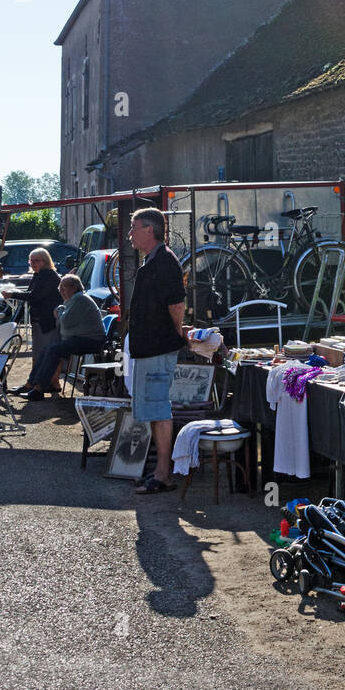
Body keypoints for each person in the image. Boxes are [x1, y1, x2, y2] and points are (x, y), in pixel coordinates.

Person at [127, 209, 186, 494]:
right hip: (148, 348)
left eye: (134, 227)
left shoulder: (164, 262)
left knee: (160, 408)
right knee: (152, 409)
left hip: (158, 347)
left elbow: (176, 305)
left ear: (149, 230)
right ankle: (159, 471)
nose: (130, 234)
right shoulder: (153, 261)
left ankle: (163, 474)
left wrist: (176, 332)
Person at [20, 274, 106, 399]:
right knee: (47, 349)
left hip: (91, 340)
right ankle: (30, 385)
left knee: (54, 350)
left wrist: (59, 311)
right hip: (79, 338)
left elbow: (65, 323)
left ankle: (38, 389)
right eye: (60, 287)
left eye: (63, 287)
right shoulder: (72, 300)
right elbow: (64, 326)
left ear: (74, 287)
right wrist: (61, 311)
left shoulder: (79, 299)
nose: (60, 291)